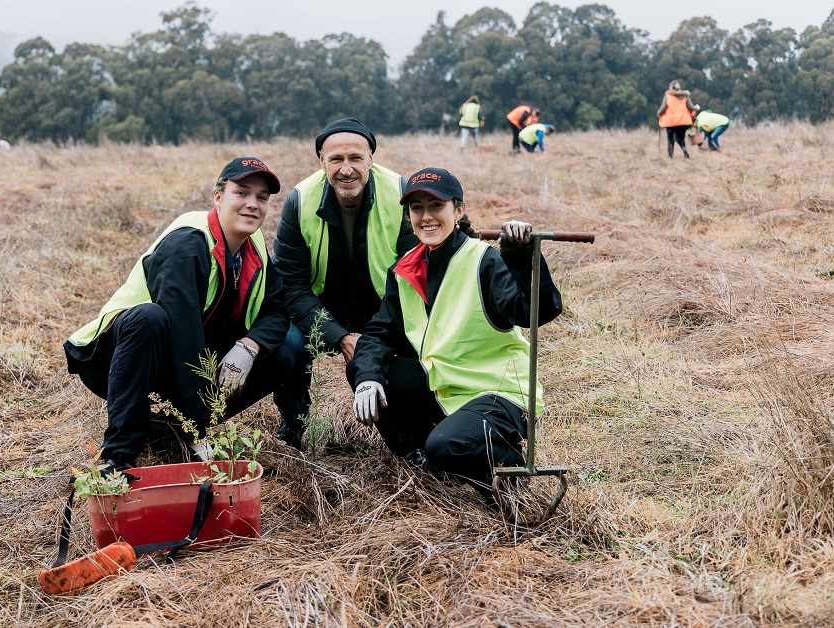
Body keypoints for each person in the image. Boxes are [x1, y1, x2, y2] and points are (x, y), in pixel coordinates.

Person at [347, 167, 564, 504]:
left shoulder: (484, 260)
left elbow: (535, 313)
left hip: (498, 391)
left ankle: (507, 473)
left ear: (458, 211)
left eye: (436, 206)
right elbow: (379, 332)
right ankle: (421, 458)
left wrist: (521, 258)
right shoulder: (406, 268)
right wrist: (367, 379)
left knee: (447, 446)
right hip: (445, 385)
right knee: (367, 368)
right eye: (416, 208)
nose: (426, 216)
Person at [63, 157, 294, 471]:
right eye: (241, 193)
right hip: (119, 355)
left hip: (180, 354)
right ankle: (119, 455)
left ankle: (168, 429)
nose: (252, 204)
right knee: (149, 318)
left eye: (262, 198)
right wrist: (195, 429)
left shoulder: (253, 244)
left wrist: (248, 346)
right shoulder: (188, 242)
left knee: (283, 353)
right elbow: (182, 336)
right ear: (218, 197)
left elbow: (278, 311)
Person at [271, 118, 418, 449]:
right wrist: (339, 337)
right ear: (322, 162)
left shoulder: (401, 193)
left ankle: (408, 434)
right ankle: (294, 425)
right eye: (336, 159)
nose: (346, 169)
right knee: (286, 343)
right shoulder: (300, 200)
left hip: (385, 306)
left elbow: (413, 277)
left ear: (371, 158)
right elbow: (291, 287)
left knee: (416, 344)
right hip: (322, 308)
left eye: (356, 158)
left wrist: (378, 335)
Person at [656, 80, 696, 159]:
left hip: (670, 122)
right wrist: (696, 108)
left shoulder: (668, 96)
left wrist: (658, 113)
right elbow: (691, 107)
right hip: (683, 121)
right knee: (681, 138)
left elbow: (662, 108)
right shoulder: (685, 96)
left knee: (670, 140)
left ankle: (670, 158)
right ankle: (684, 149)